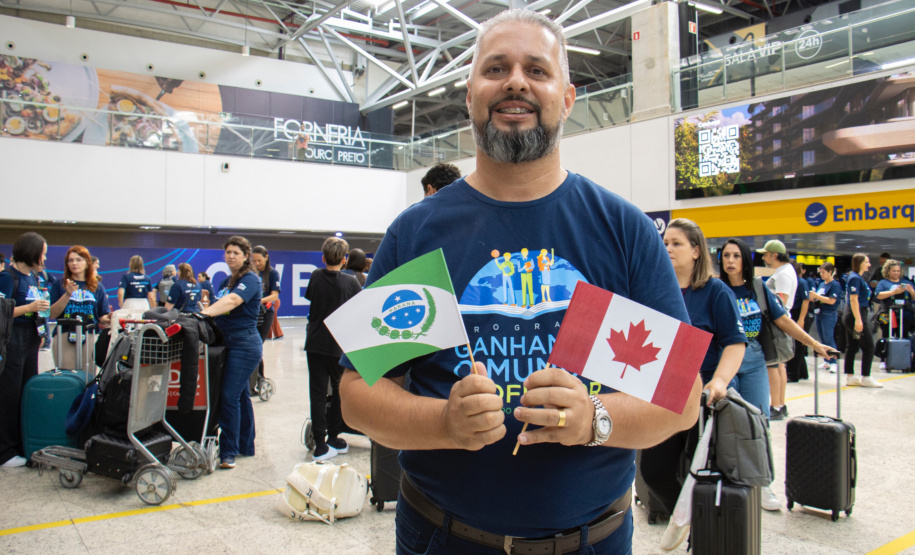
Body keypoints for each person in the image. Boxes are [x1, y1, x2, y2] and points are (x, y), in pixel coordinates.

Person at [339, 10, 702, 553]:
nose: (515, 81)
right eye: (496, 68)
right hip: (442, 536)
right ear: (469, 95)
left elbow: (682, 399)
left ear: (568, 96)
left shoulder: (621, 230)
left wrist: (593, 418)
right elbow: (357, 395)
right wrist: (444, 423)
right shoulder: (421, 232)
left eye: (537, 69)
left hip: (592, 540)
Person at [719, 237, 831, 511]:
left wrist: (813, 343)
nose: (731, 261)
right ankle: (727, 480)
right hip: (724, 361)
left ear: (746, 260)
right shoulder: (716, 289)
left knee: (760, 421)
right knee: (726, 422)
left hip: (755, 358)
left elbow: (783, 320)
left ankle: (762, 482)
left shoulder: (758, 287)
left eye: (736, 255)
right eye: (726, 256)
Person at [655, 219, 746, 551]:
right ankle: (684, 517)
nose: (668, 249)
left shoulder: (715, 292)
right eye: (665, 243)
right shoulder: (655, 288)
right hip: (662, 396)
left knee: (699, 470)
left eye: (677, 243)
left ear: (696, 251)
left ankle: (698, 529)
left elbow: (735, 343)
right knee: (653, 471)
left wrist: (719, 381)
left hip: (702, 399)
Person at [201, 236, 263, 469]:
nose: (231, 256)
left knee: (229, 396)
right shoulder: (229, 280)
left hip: (244, 345)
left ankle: (228, 452)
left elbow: (233, 301)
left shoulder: (250, 279)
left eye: (236, 252)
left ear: (246, 255)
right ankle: (245, 445)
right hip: (228, 343)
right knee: (240, 396)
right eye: (228, 252)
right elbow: (223, 300)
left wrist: (205, 314)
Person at [304, 237, 362, 461]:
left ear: (323, 257)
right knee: (339, 392)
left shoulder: (316, 276)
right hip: (338, 345)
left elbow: (312, 299)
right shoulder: (350, 283)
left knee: (317, 392)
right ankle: (334, 436)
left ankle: (319, 444)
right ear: (344, 260)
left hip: (315, 342)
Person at [0, 232, 51, 468]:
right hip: (12, 341)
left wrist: (40, 333)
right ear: (32, 252)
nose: (44, 259)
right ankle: (5, 451)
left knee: (26, 393)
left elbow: (38, 312)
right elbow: (3, 310)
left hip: (30, 340)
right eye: (42, 253)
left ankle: (22, 445)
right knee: (9, 396)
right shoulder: (8, 278)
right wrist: (29, 307)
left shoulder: (32, 278)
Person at [48, 246, 111, 370]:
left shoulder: (97, 287)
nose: (74, 263)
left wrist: (109, 318)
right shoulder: (59, 285)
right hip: (64, 334)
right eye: (70, 260)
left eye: (78, 260)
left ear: (87, 263)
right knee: (67, 375)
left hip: (89, 335)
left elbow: (102, 316)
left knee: (88, 376)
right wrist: (67, 294)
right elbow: (52, 314)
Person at [757, 239, 797, 419]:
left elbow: (780, 300)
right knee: (780, 364)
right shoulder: (786, 272)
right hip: (781, 322)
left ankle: (775, 405)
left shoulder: (782, 275)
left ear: (774, 255)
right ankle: (780, 404)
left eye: (766, 254)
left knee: (772, 365)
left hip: (775, 324)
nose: (764, 258)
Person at [844, 253, 882, 388]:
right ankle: (866, 376)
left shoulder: (858, 278)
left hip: (856, 314)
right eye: (867, 262)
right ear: (859, 263)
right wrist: (859, 320)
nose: (869, 264)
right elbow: (854, 300)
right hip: (856, 314)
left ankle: (850, 376)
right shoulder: (855, 278)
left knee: (853, 345)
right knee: (869, 346)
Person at [251, 246, 281, 393]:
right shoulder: (250, 273)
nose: (257, 263)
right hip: (251, 314)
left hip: (265, 314)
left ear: (266, 257)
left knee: (256, 345)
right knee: (251, 347)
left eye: (259, 260)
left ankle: (259, 378)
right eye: (254, 260)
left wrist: (258, 300)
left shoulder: (272, 273)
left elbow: (274, 295)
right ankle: (253, 379)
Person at [873, 259, 914, 369]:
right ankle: (884, 358)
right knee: (887, 336)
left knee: (905, 337)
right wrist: (893, 292)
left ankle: (903, 359)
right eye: (894, 271)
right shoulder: (883, 283)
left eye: (898, 271)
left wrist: (911, 292)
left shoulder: (907, 283)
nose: (896, 273)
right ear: (888, 271)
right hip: (888, 313)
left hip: (905, 314)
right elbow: (878, 295)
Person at [809, 262, 842, 373]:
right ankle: (827, 360)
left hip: (829, 313)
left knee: (829, 338)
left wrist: (817, 296)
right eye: (821, 272)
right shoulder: (822, 284)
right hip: (820, 313)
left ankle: (834, 362)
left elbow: (831, 301)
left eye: (824, 272)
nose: (822, 275)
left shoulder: (835, 285)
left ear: (830, 272)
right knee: (823, 338)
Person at [785, 261, 812, 383]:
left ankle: (793, 374)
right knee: (798, 345)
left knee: (797, 345)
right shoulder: (793, 281)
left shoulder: (800, 282)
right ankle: (802, 372)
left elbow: (806, 301)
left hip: (800, 314)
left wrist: (801, 319)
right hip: (794, 314)